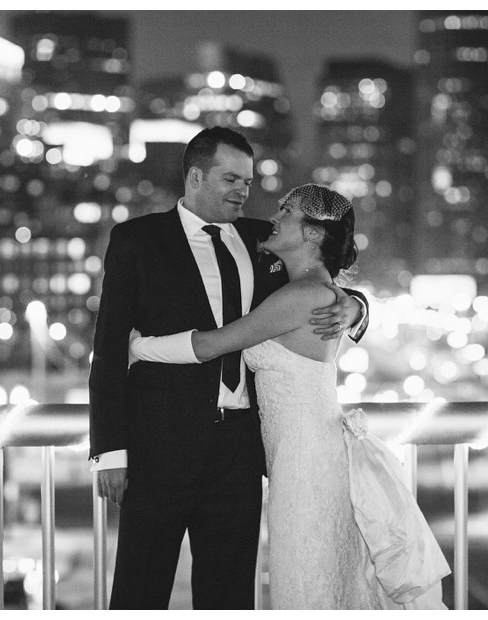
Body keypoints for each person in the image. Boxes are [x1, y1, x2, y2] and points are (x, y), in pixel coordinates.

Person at [130, 184, 450, 609]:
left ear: (314, 234)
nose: (274, 216)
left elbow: (211, 346)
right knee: (323, 575)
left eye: (287, 210)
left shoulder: (301, 296)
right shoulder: (300, 286)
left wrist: (136, 347)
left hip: (305, 461)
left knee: (304, 578)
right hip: (301, 455)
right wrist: (356, 303)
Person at [88, 127, 369, 609]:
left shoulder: (267, 240)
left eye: (248, 180)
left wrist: (357, 307)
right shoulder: (138, 240)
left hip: (239, 452)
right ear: (195, 176)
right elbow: (110, 346)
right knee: (140, 590)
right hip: (160, 445)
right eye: (231, 179)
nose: (244, 191)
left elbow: (321, 274)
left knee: (229, 597)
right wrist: (110, 452)